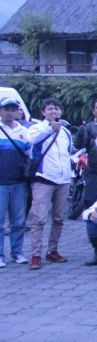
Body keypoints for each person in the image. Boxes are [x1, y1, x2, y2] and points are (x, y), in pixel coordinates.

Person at [28, 98, 76, 269]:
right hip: (43, 179)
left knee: (58, 218)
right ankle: (35, 254)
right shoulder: (36, 128)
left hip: (63, 180)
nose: (54, 112)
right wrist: (50, 129)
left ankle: (52, 250)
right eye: (50, 109)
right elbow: (32, 141)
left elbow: (68, 154)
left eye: (57, 109)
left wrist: (71, 175)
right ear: (43, 112)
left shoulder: (66, 132)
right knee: (39, 219)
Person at [0, 96, 31, 267]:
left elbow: (29, 155)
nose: (10, 113)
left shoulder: (24, 132)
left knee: (18, 221)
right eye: (6, 109)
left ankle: (17, 253)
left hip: (19, 183)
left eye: (13, 109)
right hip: (0, 184)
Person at [73, 98, 97, 208]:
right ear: (93, 111)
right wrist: (80, 133)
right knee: (90, 202)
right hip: (94, 170)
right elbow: (77, 146)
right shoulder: (87, 128)